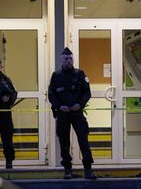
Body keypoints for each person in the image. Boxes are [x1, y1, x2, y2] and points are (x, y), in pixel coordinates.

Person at [48, 47, 96, 180]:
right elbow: (51, 94)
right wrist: (59, 106)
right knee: (64, 142)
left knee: (83, 140)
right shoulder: (56, 76)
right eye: (66, 59)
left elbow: (87, 92)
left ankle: (88, 169)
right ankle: (67, 169)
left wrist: (80, 105)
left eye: (71, 58)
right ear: (61, 60)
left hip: (77, 113)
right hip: (63, 114)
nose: (69, 61)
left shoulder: (80, 74)